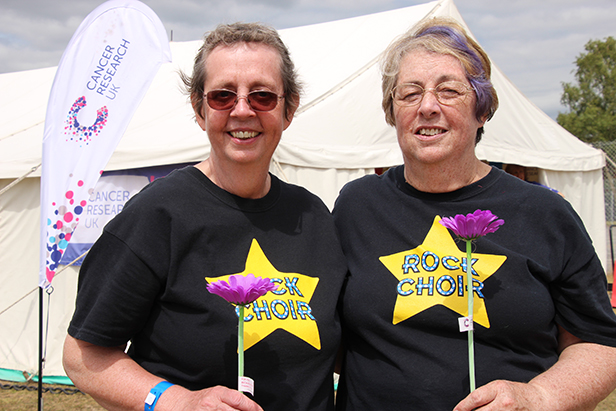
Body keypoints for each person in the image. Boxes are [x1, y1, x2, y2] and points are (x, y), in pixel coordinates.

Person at [333, 17, 616, 411]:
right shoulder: (356, 206)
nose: (427, 106)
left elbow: (599, 341)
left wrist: (539, 396)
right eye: (410, 93)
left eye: (449, 91)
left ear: (481, 110)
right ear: (392, 111)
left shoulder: (544, 213)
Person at [63, 22, 347, 411]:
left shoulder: (313, 216)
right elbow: (82, 355)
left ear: (289, 108)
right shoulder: (158, 213)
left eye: (263, 96)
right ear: (199, 108)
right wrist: (176, 401)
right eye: (222, 96)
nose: (242, 110)